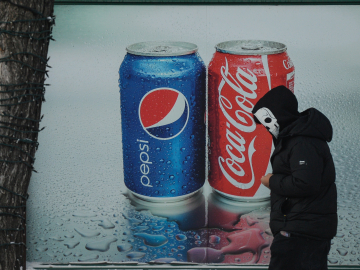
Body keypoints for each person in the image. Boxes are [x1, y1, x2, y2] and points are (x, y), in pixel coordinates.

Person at [251, 85, 337, 270]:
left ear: (278, 115)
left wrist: (271, 181)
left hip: (301, 235)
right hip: (304, 231)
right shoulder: (298, 138)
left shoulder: (302, 141)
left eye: (267, 121)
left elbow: (305, 183)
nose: (266, 128)